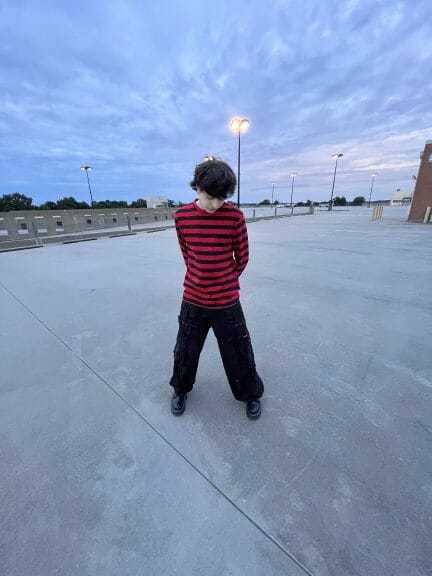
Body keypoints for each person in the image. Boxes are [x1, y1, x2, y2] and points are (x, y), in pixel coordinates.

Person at [169, 157, 264, 419]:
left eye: (222, 199)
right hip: (193, 298)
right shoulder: (183, 216)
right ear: (198, 188)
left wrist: (225, 280)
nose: (216, 204)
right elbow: (187, 254)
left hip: (227, 302)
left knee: (239, 351)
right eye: (211, 198)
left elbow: (242, 256)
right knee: (185, 348)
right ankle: (180, 388)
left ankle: (250, 393)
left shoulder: (234, 216)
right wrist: (201, 277)